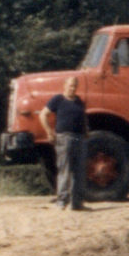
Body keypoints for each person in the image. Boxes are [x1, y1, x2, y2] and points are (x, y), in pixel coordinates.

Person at [39, 76, 89, 210]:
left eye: (75, 86)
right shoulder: (58, 100)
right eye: (70, 85)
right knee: (64, 170)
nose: (73, 88)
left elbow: (83, 117)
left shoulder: (79, 102)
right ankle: (61, 202)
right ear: (65, 85)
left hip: (79, 138)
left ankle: (77, 203)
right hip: (64, 138)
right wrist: (49, 132)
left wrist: (86, 131)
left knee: (79, 171)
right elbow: (43, 115)